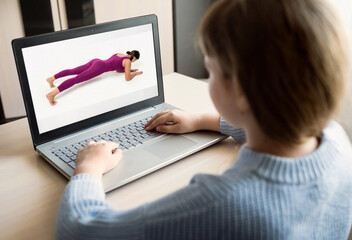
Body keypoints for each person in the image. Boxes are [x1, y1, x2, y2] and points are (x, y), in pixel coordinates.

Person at [56, 0, 352, 239]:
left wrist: (88, 168)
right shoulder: (335, 139)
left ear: (242, 93)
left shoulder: (222, 205)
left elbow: (80, 230)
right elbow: (284, 123)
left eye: (210, 70)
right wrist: (203, 120)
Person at [46, 50, 143, 106]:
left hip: (97, 61)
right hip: (99, 68)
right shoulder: (128, 62)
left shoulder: (120, 54)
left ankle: (51, 78)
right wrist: (134, 74)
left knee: (73, 70)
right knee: (76, 79)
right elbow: (127, 78)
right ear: (134, 59)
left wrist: (129, 70)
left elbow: (117, 69)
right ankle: (51, 94)